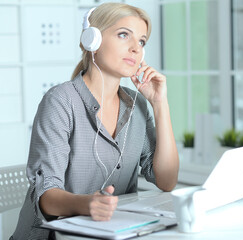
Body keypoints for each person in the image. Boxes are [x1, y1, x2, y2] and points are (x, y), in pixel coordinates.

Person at [11, 2, 179, 239]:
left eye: (141, 41)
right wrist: (87, 204)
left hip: (112, 233)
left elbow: (167, 180)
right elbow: (46, 197)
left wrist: (160, 103)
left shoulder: (137, 105)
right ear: (94, 41)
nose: (136, 48)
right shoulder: (60, 101)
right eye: (124, 35)